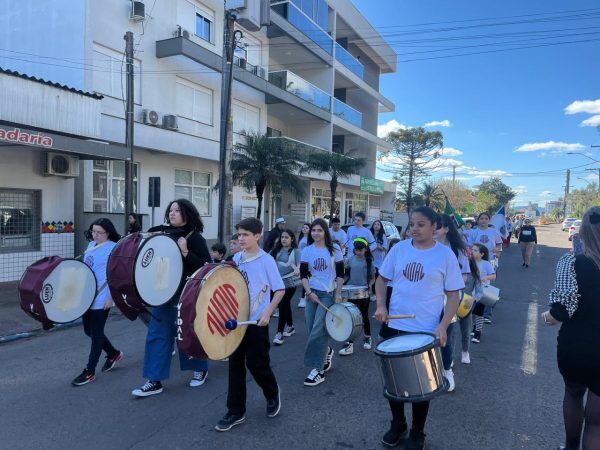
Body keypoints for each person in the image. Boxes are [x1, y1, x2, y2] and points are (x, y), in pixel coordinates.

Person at [374, 206, 464, 449]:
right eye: (412, 224)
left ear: (434, 227)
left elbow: (454, 295)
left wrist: (443, 326)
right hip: (395, 325)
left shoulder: (445, 256)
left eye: (421, 224)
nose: (414, 228)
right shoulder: (399, 249)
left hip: (424, 330)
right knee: (393, 380)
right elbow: (381, 279)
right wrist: (381, 305)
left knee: (421, 384)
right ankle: (398, 423)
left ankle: (418, 431)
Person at [132, 199, 211, 397]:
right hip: (162, 292)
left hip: (185, 294)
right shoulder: (161, 233)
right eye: (171, 210)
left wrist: (185, 251)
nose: (172, 213)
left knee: (187, 333)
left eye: (177, 210)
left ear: (187, 213)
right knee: (157, 335)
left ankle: (200, 367)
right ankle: (154, 380)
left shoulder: (195, 238)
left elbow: (206, 267)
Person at [215, 217, 285, 432]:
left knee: (257, 364)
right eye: (239, 234)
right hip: (236, 322)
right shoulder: (237, 258)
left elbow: (279, 290)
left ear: (257, 236)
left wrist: (268, 312)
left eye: (246, 234)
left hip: (256, 321)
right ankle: (235, 411)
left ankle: (272, 393)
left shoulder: (266, 260)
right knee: (235, 365)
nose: (241, 238)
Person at [542, 207, 600, 450]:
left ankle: (570, 447)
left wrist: (549, 316)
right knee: (597, 422)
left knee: (573, 395)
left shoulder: (572, 262)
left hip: (575, 346)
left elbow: (563, 310)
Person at [72, 218, 123, 386]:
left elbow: (115, 276)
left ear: (107, 232)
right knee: (89, 330)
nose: (95, 235)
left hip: (103, 297)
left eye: (99, 232)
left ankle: (89, 371)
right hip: (87, 295)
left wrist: (111, 298)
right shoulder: (91, 245)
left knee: (96, 333)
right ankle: (113, 353)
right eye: (93, 231)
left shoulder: (113, 248)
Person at [300, 218, 344, 386]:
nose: (316, 233)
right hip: (311, 293)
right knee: (312, 329)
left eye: (319, 230)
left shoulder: (335, 250)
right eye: (313, 230)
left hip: (327, 294)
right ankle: (326, 351)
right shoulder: (307, 250)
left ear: (325, 232)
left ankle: (318, 370)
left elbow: (340, 273)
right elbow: (303, 274)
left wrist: (338, 294)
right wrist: (309, 292)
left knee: (319, 330)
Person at [434, 214, 471, 392]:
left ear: (447, 229)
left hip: (449, 299)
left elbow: (463, 277)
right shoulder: (425, 247)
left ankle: (447, 370)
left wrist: (448, 287)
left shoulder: (458, 251)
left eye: (438, 227)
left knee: (446, 336)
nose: (434, 230)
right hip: (426, 300)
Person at [338, 238, 375, 356]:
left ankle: (368, 337)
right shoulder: (350, 259)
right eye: (356, 250)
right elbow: (345, 272)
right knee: (352, 318)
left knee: (364, 316)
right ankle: (350, 343)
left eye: (360, 250)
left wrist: (369, 285)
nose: (358, 252)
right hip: (351, 291)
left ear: (365, 249)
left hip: (363, 292)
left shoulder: (369, 262)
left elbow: (373, 277)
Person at [468, 212, 503, 323]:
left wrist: (497, 251)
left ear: (489, 220)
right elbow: (469, 247)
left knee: (487, 287)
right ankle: (473, 311)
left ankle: (487, 314)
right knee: (475, 286)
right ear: (478, 220)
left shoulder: (494, 231)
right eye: (481, 218)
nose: (483, 220)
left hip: (490, 261)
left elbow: (499, 244)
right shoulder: (474, 232)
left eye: (486, 218)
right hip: (476, 262)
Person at [270, 229, 301, 345]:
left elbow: (299, 264)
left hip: (290, 282)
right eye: (282, 237)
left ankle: (279, 333)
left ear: (292, 239)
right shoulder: (276, 250)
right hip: (277, 282)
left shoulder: (296, 251)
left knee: (282, 304)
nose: (283, 239)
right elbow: (268, 260)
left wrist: (298, 269)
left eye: (286, 237)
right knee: (285, 303)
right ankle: (291, 326)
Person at [470, 244, 496, 344]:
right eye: (472, 249)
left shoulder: (486, 264)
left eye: (475, 250)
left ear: (482, 254)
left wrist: (486, 278)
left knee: (479, 312)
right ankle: (474, 328)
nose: (472, 251)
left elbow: (493, 276)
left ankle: (478, 333)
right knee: (471, 312)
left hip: (482, 292)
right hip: (470, 291)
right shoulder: (470, 263)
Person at [370, 220, 388, 296]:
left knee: (377, 276)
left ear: (380, 227)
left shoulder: (383, 236)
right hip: (371, 259)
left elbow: (384, 248)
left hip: (379, 261)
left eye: (378, 224)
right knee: (371, 276)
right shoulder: (370, 235)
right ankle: (371, 293)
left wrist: (377, 245)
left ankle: (376, 292)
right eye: (375, 224)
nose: (376, 226)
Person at [297, 223, 311, 308]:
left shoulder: (310, 240)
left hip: (308, 263)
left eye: (306, 228)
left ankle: (304, 298)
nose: (304, 229)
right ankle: (304, 298)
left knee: (307, 280)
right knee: (304, 280)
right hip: (301, 262)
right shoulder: (301, 238)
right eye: (303, 227)